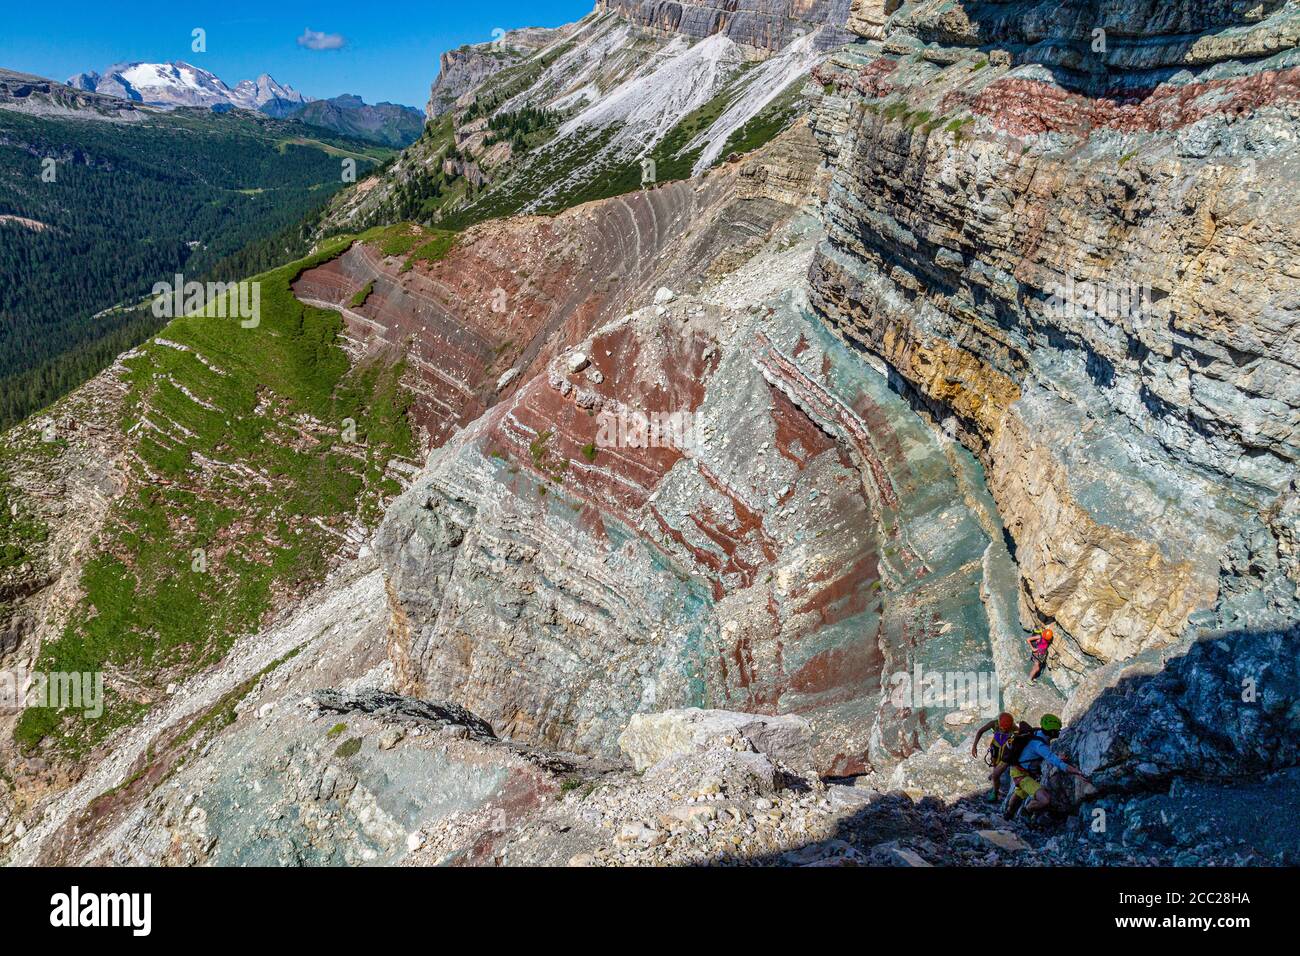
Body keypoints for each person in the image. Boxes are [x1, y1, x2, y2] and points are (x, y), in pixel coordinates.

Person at [1004, 713, 1092, 820]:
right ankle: (1026, 812)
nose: (1059, 732)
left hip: (1020, 770)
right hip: (1021, 774)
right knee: (1045, 800)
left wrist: (1056, 757)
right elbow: (1058, 763)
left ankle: (1008, 813)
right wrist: (1077, 772)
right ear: (1051, 732)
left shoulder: (1038, 733)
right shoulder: (1039, 745)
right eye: (1057, 731)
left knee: (1020, 792)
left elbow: (1044, 755)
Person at [970, 712, 1019, 802]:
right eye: (1002, 728)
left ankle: (995, 793)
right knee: (995, 767)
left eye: (1006, 729)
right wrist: (974, 746)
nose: (1004, 730)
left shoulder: (1014, 728)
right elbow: (980, 731)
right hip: (995, 751)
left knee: (996, 775)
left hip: (1005, 753)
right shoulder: (994, 724)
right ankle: (996, 781)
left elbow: (1021, 736)